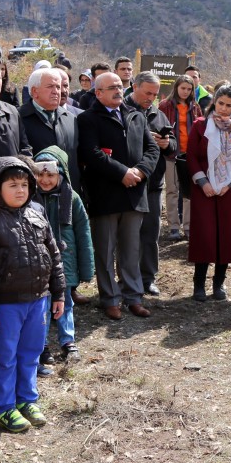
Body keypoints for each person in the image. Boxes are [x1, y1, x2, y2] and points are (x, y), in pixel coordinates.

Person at [0, 156, 65, 434]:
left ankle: (27, 399)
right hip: (5, 305)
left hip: (38, 300)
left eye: (24, 184)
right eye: (13, 185)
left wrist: (58, 293)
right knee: (5, 356)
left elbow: (54, 256)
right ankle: (6, 406)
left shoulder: (37, 214)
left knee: (31, 352)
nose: (20, 190)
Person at [76, 72, 160, 319]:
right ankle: (110, 298)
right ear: (98, 92)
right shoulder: (88, 119)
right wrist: (121, 172)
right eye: (111, 87)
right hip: (106, 193)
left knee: (132, 249)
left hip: (135, 192)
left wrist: (141, 171)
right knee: (105, 248)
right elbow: (90, 153)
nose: (117, 90)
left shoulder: (136, 116)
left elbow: (152, 148)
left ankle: (133, 296)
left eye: (120, 86)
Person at [186, 85, 231, 301]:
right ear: (214, 102)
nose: (223, 108)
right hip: (203, 188)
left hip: (229, 189)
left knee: (227, 234)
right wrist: (203, 182)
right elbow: (192, 156)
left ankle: (219, 284)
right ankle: (199, 284)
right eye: (220, 103)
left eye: (228, 105)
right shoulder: (200, 125)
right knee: (204, 234)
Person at [34, 146, 94, 362]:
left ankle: (67, 341)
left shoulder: (72, 198)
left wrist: (86, 268)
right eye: (40, 174)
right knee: (41, 306)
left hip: (64, 262)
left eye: (50, 174)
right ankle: (42, 345)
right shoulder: (29, 198)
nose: (45, 180)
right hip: (38, 262)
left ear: (60, 174)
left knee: (65, 302)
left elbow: (83, 232)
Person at [126, 72, 173, 295]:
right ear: (135, 87)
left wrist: (165, 143)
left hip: (154, 184)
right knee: (127, 236)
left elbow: (174, 146)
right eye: (147, 93)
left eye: (155, 94)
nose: (151, 98)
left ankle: (147, 277)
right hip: (129, 182)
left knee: (150, 234)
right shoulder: (122, 111)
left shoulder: (159, 114)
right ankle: (127, 277)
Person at [19, 67, 80, 192]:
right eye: (50, 87)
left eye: (58, 87)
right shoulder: (17, 118)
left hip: (69, 194)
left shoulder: (70, 118)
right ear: (34, 91)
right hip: (36, 195)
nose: (57, 91)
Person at [159, 74, 202, 240]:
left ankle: (189, 226)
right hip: (170, 153)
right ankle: (173, 227)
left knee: (189, 192)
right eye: (183, 88)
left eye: (189, 89)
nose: (185, 91)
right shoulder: (165, 105)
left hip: (189, 154)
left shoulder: (195, 106)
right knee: (171, 190)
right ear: (176, 87)